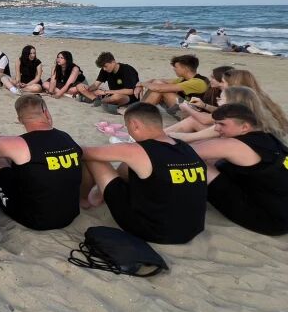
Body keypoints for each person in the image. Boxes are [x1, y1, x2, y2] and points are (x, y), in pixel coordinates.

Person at [82, 102, 208, 244]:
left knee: (94, 159)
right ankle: (102, 194)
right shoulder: (185, 147)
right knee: (132, 164)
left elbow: (84, 152)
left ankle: (85, 200)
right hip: (193, 229)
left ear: (135, 125)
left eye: (127, 126)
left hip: (153, 232)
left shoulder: (137, 150)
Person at [191, 104, 288, 235]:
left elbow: (185, 153)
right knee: (216, 161)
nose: (216, 128)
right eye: (216, 123)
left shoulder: (234, 145)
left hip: (273, 222)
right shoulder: (268, 139)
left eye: (222, 124)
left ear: (245, 127)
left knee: (197, 164)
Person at [0, 96, 83, 230]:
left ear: (20, 120)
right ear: (46, 112)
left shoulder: (19, 143)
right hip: (70, 214)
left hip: (36, 220)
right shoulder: (65, 137)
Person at [168, 86, 284, 143]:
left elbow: (187, 138)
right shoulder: (257, 118)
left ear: (232, 102)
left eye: (221, 98)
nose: (217, 100)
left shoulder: (230, 123)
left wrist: (162, 136)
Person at [221, 69, 288, 136]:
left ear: (233, 83)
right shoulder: (262, 98)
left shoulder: (244, 103)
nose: (221, 85)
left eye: (223, 82)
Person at [135, 54, 210, 115]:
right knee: (158, 84)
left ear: (185, 68)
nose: (174, 69)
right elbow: (158, 81)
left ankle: (139, 112)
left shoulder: (197, 82)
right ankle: (139, 109)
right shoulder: (183, 79)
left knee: (161, 90)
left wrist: (141, 83)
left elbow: (159, 88)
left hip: (195, 113)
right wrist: (141, 84)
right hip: (185, 108)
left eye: (176, 67)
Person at [75, 52, 140, 114]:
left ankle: (98, 101)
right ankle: (96, 99)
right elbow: (96, 85)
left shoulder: (127, 70)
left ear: (113, 62)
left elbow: (130, 91)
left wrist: (105, 92)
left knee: (116, 97)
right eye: (102, 67)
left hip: (128, 97)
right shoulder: (104, 70)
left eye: (106, 66)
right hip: (109, 94)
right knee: (80, 86)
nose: (104, 69)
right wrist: (87, 89)